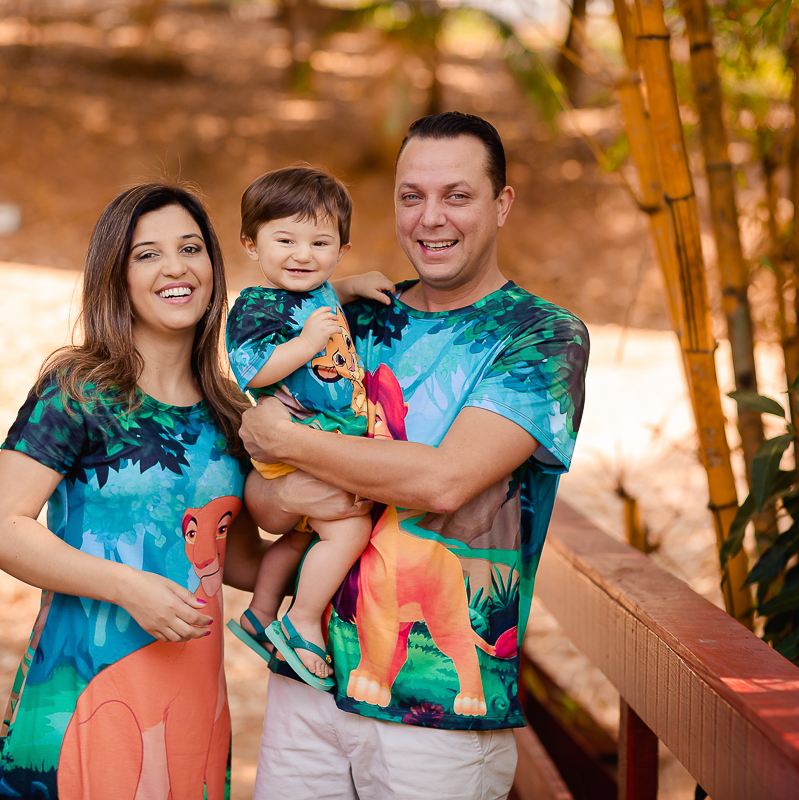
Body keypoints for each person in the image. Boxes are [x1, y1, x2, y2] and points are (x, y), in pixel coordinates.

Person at [240, 112, 590, 800]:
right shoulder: (348, 321)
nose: (431, 218)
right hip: (305, 690)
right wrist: (289, 490)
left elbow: (445, 480)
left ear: (501, 204)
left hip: (434, 724)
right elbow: (264, 499)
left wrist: (291, 445)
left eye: (457, 195)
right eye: (411, 196)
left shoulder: (542, 337)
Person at [0, 184, 263, 800]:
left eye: (190, 248)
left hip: (193, 704)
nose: (175, 267)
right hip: (82, 690)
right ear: (117, 277)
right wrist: (129, 589)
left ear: (213, 265)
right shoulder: (78, 390)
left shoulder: (232, 413)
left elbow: (236, 561)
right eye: (147, 254)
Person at [224, 165, 395, 688]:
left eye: (321, 242)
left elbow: (318, 298)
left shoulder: (316, 292)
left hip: (325, 435)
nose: (302, 255)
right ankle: (301, 620)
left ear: (341, 249)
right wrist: (305, 344)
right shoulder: (254, 305)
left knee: (301, 540)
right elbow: (252, 369)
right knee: (347, 528)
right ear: (252, 244)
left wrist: (351, 287)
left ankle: (260, 612)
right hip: (296, 435)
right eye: (285, 240)